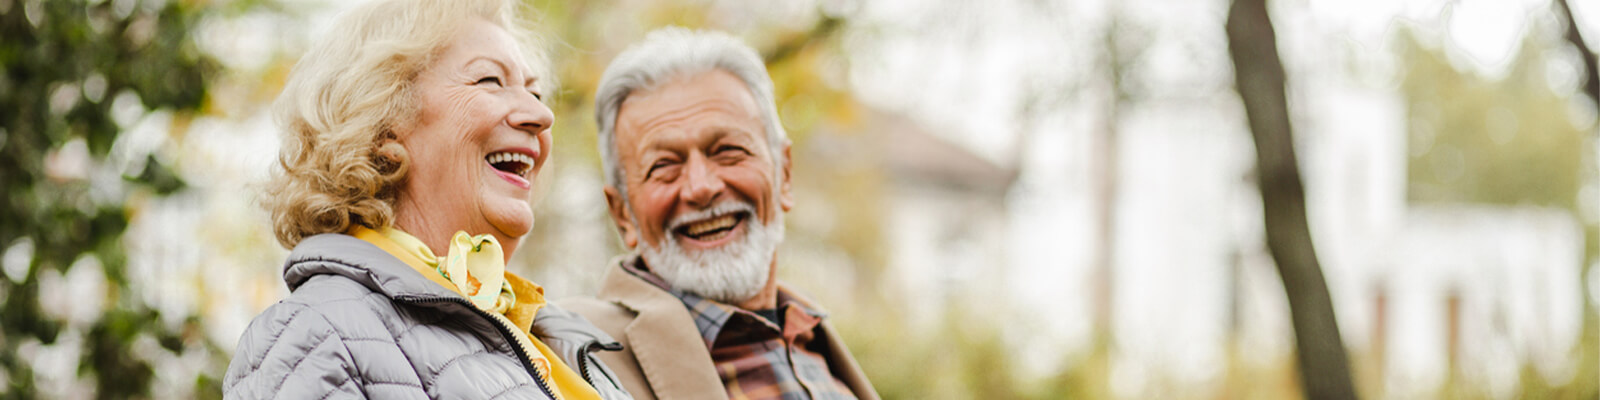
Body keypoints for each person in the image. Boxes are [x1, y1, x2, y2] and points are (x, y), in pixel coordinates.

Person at [223, 1, 631, 399]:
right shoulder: (313, 334)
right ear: (384, 124)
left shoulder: (553, 339)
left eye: (536, 93)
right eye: (490, 81)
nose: (542, 116)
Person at [560, 27, 879, 400]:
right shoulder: (571, 350)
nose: (701, 187)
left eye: (728, 151)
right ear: (622, 214)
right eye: (663, 165)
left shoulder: (812, 335)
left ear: (784, 174)